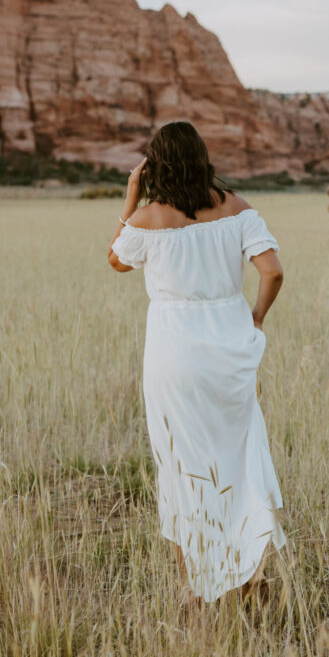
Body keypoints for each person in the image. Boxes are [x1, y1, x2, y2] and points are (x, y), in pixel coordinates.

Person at [107, 120, 285, 604]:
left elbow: (116, 260)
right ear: (202, 156)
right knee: (238, 460)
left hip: (174, 354)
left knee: (181, 465)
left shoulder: (148, 219)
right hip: (230, 351)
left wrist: (130, 197)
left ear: (155, 164)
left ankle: (194, 586)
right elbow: (272, 271)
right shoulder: (237, 208)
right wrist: (256, 317)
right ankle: (250, 577)